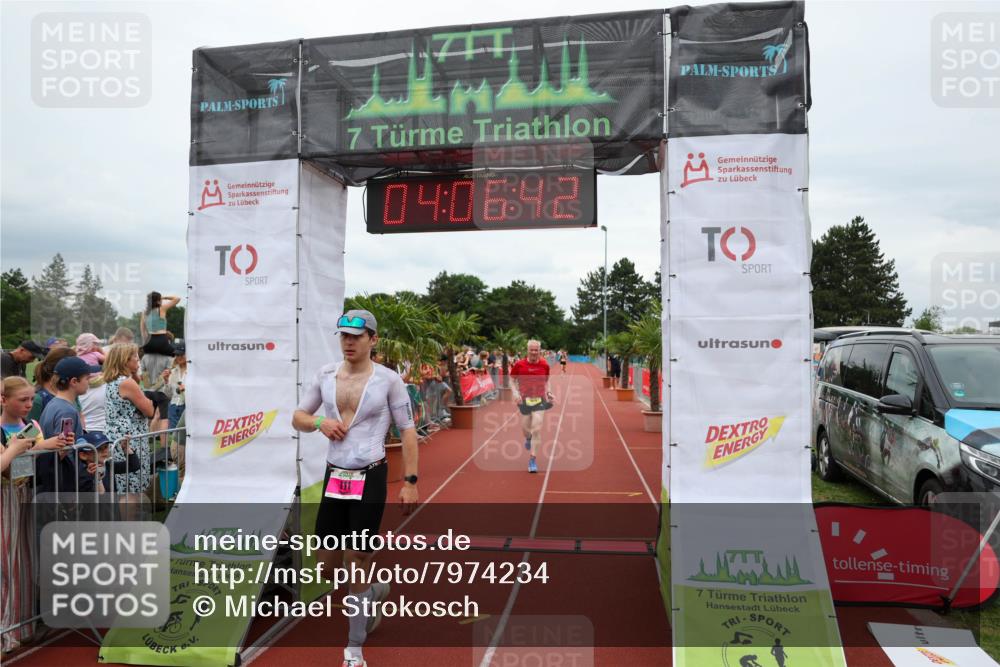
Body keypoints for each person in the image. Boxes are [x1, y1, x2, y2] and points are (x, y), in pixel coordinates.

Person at [292, 309, 419, 667]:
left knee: (357, 561)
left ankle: (354, 649)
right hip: (336, 477)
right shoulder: (326, 375)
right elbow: (297, 417)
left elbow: (408, 431)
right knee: (328, 569)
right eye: (344, 335)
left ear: (372, 340)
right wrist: (320, 421)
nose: (348, 342)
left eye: (356, 336)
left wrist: (410, 481)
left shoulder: (389, 381)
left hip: (371, 477)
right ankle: (375, 592)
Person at [1, 376, 69, 652]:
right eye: (23, 400)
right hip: (5, 499)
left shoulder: (33, 425)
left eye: (31, 399)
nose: (29, 404)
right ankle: (6, 627)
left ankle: (22, 625)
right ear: (4, 400)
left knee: (24, 563)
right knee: (6, 564)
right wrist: (24, 448)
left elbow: (36, 457)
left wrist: (58, 448)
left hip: (25, 495)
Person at [37, 356, 101, 495]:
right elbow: (64, 450)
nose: (88, 382)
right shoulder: (66, 410)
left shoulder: (54, 403)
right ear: (74, 381)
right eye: (87, 378)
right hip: (65, 480)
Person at [102, 343, 155, 495]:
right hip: (130, 438)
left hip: (116, 435)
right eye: (136, 358)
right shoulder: (127, 382)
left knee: (122, 485)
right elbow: (149, 410)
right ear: (126, 360)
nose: (138, 361)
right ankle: (130, 518)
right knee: (132, 488)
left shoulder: (114, 380)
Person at [509, 340, 555, 474]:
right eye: (532, 350)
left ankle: (532, 459)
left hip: (540, 399)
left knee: (536, 428)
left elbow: (547, 381)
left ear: (539, 350)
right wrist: (515, 392)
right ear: (527, 350)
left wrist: (549, 392)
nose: (534, 352)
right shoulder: (519, 364)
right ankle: (528, 438)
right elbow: (512, 379)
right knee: (525, 429)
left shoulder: (544, 364)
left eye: (536, 350)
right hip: (524, 400)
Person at [27, 346, 78, 422]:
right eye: (76, 365)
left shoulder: (72, 391)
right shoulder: (38, 399)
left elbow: (80, 420)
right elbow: (31, 431)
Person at [140, 291, 181, 357]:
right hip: (161, 340)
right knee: (177, 354)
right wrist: (164, 297)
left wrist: (146, 343)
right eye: (160, 299)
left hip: (149, 341)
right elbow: (177, 299)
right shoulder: (162, 309)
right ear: (158, 301)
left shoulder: (144, 313)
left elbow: (142, 331)